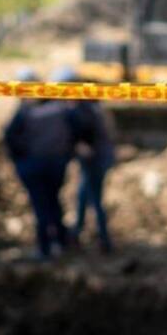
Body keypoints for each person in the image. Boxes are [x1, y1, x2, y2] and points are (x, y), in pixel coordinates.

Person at [4, 73, 76, 260]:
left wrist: (21, 161)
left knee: (42, 207)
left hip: (36, 165)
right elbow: (75, 131)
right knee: (53, 203)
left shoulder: (25, 112)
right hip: (54, 164)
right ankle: (60, 241)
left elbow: (10, 138)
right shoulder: (59, 107)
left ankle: (46, 248)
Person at [65, 68, 115, 254]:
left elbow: (86, 135)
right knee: (83, 195)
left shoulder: (83, 110)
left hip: (94, 160)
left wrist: (81, 145)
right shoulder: (93, 107)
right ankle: (78, 233)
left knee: (94, 199)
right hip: (98, 159)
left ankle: (103, 239)